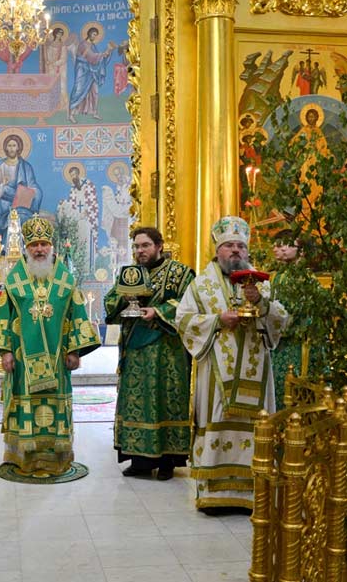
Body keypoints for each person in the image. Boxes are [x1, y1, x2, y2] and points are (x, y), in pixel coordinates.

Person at [175, 216, 289, 511]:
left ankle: (253, 495)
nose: (236, 250)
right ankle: (213, 496)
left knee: (256, 425)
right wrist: (217, 320)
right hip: (216, 375)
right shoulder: (201, 285)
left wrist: (260, 303)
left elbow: (281, 320)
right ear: (218, 251)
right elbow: (183, 319)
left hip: (256, 370)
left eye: (240, 245)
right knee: (217, 420)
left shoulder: (262, 285)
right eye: (229, 246)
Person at [0, 215, 100, 476]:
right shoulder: (15, 280)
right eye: (34, 245)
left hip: (58, 359)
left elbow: (77, 314)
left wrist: (75, 350)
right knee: (25, 404)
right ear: (26, 247)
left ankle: (56, 459)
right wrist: (5, 351)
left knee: (55, 407)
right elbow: (3, 317)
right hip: (22, 361)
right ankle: (24, 458)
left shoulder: (65, 280)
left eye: (43, 244)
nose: (39, 250)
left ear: (51, 246)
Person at [104, 227, 195, 480]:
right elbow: (110, 303)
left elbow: (190, 304)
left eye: (145, 245)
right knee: (137, 404)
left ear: (159, 246)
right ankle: (140, 462)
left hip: (168, 353)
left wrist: (159, 311)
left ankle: (168, 462)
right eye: (136, 246)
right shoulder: (129, 274)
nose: (140, 251)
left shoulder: (180, 273)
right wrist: (125, 299)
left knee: (167, 402)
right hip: (135, 353)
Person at [270, 230, 324, 409]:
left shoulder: (305, 278)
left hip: (298, 343)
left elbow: (301, 313)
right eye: (276, 245)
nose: (278, 248)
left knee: (295, 390)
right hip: (277, 342)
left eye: (285, 244)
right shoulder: (276, 276)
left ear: (301, 250)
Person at [0, 133, 42, 250]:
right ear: (5, 147)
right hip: (2, 210)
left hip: (22, 209)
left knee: (14, 225)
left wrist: (30, 193)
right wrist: (3, 187)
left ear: (18, 147)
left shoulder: (26, 167)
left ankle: (13, 257)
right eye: (9, 146)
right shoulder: (0, 166)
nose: (11, 148)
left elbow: (34, 188)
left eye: (14, 145)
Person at [68, 26, 117, 123]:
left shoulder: (93, 46)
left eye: (96, 35)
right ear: (89, 33)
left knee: (95, 91)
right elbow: (92, 57)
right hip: (82, 71)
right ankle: (71, 114)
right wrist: (103, 53)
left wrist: (108, 52)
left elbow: (97, 60)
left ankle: (94, 112)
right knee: (78, 90)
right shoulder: (83, 44)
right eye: (94, 34)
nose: (94, 37)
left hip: (92, 72)